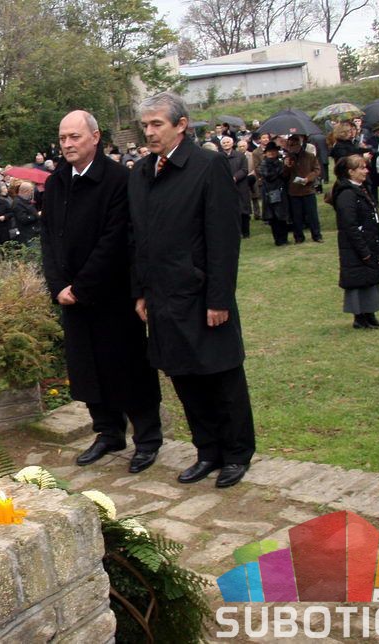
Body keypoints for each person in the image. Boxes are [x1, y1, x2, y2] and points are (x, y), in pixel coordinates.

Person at [128, 92, 255, 489]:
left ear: (181, 125)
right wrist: (141, 291)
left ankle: (236, 453)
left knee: (221, 376)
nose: (150, 132)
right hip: (162, 295)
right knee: (184, 377)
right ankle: (207, 450)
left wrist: (219, 298)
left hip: (201, 294)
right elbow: (138, 238)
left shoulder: (207, 165)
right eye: (145, 126)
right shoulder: (142, 172)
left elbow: (223, 238)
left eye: (157, 124)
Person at [42, 110, 164, 474]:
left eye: (75, 137)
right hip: (70, 295)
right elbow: (49, 237)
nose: (67, 144)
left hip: (111, 294)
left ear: (95, 137)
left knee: (127, 367)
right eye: (63, 138)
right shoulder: (57, 181)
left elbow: (115, 240)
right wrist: (57, 286)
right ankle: (108, 432)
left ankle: (147, 438)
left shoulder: (117, 179)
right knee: (87, 369)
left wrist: (82, 287)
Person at [330, 155, 379, 329]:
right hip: (356, 246)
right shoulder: (347, 194)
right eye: (362, 168)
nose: (366, 171)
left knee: (370, 279)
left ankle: (370, 314)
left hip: (369, 241)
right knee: (358, 280)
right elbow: (350, 226)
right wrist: (363, 250)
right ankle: (360, 317)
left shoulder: (362, 189)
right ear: (351, 172)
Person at [283, 135, 323, 243]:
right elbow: (284, 176)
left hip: (308, 189)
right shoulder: (288, 158)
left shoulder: (309, 156)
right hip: (294, 191)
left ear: (300, 144)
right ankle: (299, 237)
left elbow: (317, 170)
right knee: (296, 216)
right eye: (290, 145)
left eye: (295, 144)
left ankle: (317, 235)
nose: (293, 147)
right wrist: (287, 166)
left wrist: (308, 178)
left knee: (312, 215)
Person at [258, 142, 291, 246]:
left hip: (281, 191)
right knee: (273, 217)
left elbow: (285, 176)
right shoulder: (264, 164)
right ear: (266, 153)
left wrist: (285, 167)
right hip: (269, 192)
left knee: (282, 216)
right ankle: (278, 239)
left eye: (273, 151)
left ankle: (284, 239)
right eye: (269, 151)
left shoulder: (280, 163)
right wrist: (279, 170)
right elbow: (269, 176)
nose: (271, 153)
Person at [222, 136, 252, 239]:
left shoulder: (240, 156)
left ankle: (246, 232)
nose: (226, 144)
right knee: (231, 211)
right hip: (226, 186)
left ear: (232, 144)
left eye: (227, 142)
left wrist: (235, 177)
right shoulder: (218, 157)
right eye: (224, 143)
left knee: (243, 210)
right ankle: (235, 232)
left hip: (241, 186)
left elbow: (244, 169)